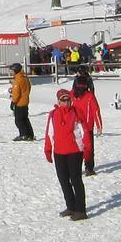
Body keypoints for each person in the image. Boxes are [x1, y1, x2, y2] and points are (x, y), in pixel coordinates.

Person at [45, 88, 87, 220]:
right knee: (63, 180)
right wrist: (48, 149)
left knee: (76, 180)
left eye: (68, 99)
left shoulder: (76, 112)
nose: (67, 102)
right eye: (63, 99)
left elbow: (84, 131)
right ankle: (71, 206)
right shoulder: (53, 114)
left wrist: (87, 150)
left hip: (75, 151)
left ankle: (80, 210)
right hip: (59, 152)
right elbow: (50, 133)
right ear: (58, 101)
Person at [72, 73, 103, 176]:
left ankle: (88, 167)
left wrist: (99, 125)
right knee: (80, 148)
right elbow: (96, 111)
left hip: (86, 127)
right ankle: (85, 168)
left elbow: (95, 111)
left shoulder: (89, 96)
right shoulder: (72, 95)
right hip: (76, 127)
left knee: (86, 148)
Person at [9, 62, 34, 141]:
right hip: (25, 101)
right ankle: (30, 134)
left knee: (19, 120)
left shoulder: (18, 79)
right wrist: (25, 95)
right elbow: (29, 87)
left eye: (12, 70)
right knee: (25, 119)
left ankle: (23, 135)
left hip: (19, 103)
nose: (11, 72)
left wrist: (13, 102)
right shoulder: (25, 77)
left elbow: (16, 93)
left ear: (15, 70)